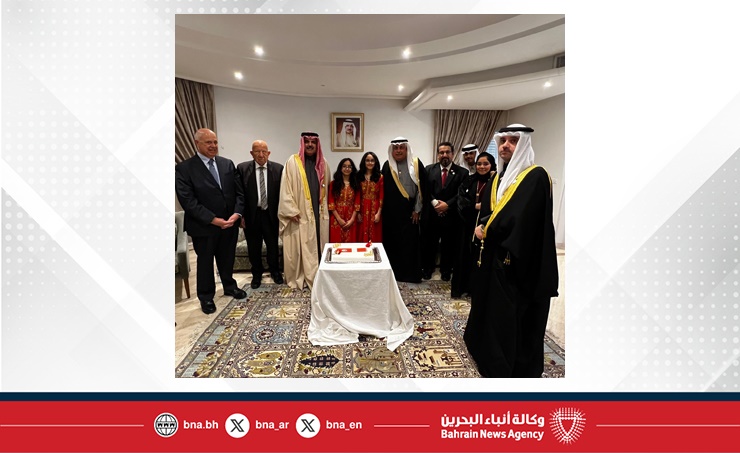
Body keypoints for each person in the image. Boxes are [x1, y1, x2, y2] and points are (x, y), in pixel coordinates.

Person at [464, 124, 559, 378]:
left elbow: (520, 219)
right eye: (503, 140)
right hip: (492, 256)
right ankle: (485, 352)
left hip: (515, 260)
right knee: (489, 308)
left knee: (508, 316)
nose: (505, 145)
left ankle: (503, 366)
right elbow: (491, 210)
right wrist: (482, 225)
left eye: (512, 141)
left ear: (524, 144)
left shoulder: (535, 176)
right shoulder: (498, 177)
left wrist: (488, 229)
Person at [175, 128, 247, 314]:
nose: (213, 146)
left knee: (227, 258)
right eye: (208, 142)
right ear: (197, 144)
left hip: (229, 223)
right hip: (204, 226)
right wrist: (214, 220)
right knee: (206, 262)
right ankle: (206, 296)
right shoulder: (184, 169)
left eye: (215, 142)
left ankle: (229, 286)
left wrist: (237, 214)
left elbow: (239, 193)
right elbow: (188, 202)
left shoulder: (227, 164)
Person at [278, 132, 332, 290]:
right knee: (301, 244)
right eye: (307, 141)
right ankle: (303, 274)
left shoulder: (324, 163)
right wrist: (291, 210)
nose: (310, 145)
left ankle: (319, 274)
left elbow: (328, 188)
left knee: (319, 241)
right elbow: (285, 187)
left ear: (317, 144)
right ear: (302, 143)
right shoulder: (292, 162)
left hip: (319, 211)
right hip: (299, 213)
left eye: (313, 142)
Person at [236, 139, 284, 289]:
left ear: (269, 153)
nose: (261, 154)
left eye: (264, 151)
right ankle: (257, 274)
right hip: (252, 215)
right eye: (257, 151)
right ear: (252, 153)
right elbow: (239, 194)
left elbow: (282, 195)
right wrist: (240, 215)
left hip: (271, 215)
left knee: (272, 246)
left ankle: (275, 271)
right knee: (253, 247)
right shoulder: (242, 168)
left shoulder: (279, 169)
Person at [450, 151, 496, 298]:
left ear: (492, 165)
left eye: (486, 164)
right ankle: (461, 288)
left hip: (486, 225)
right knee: (464, 256)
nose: (482, 167)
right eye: (479, 164)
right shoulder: (469, 180)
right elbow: (461, 199)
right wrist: (474, 206)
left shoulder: (496, 182)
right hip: (466, 224)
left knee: (480, 257)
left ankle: (476, 290)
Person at [381, 137, 426, 283]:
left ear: (407, 149)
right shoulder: (387, 166)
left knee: (409, 244)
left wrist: (417, 210)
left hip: (410, 212)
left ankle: (410, 275)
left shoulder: (416, 164)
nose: (398, 150)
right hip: (391, 214)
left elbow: (422, 189)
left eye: (401, 147)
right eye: (396, 148)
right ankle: (394, 274)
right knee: (393, 243)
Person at [421, 142, 466, 281]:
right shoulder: (429, 169)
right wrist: (435, 203)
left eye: (447, 152)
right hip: (432, 214)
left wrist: (447, 205)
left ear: (453, 154)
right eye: (441, 152)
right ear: (438, 154)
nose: (444, 155)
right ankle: (428, 269)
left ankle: (446, 270)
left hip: (451, 215)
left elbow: (461, 193)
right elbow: (425, 189)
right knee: (430, 244)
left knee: (449, 245)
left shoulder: (462, 172)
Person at [328, 158, 361, 243]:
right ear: (340, 168)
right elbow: (331, 203)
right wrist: (339, 219)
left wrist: (352, 220)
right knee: (336, 243)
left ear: (352, 169)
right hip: (336, 218)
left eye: (349, 167)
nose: (347, 169)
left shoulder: (356, 184)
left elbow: (357, 204)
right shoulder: (333, 184)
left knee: (350, 243)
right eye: (344, 166)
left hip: (351, 217)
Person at [356, 151, 384, 243]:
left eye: (372, 160)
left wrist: (378, 213)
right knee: (361, 233)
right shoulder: (359, 176)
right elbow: (357, 195)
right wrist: (357, 212)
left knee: (374, 233)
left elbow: (381, 196)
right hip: (362, 208)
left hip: (374, 208)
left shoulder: (380, 177)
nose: (370, 163)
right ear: (364, 162)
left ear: (375, 162)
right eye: (367, 160)